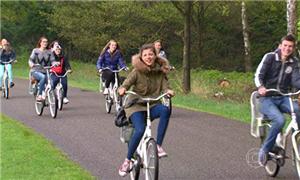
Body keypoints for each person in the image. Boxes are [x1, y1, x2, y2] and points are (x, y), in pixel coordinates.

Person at [117, 43, 175, 177]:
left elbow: (166, 86)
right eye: (145, 55)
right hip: (136, 105)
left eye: (151, 54)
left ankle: (158, 146)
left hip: (152, 105)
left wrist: (168, 91)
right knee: (140, 129)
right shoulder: (136, 71)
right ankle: (127, 161)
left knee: (165, 110)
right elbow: (126, 84)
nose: (148, 57)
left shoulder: (160, 72)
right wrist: (122, 89)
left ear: (155, 55)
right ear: (141, 57)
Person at [254, 34, 300, 166]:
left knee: (298, 111)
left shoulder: (295, 62)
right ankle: (265, 149)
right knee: (280, 120)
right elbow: (258, 75)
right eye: (285, 45)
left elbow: (296, 80)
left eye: (290, 46)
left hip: (284, 97)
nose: (287, 48)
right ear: (280, 46)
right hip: (267, 98)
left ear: (293, 48)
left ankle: (296, 141)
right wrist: (261, 87)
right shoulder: (270, 57)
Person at [28, 36, 56, 101]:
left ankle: (47, 95)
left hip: (46, 71)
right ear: (40, 43)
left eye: (46, 42)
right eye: (43, 42)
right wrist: (31, 64)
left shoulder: (49, 52)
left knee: (51, 84)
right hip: (35, 70)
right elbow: (30, 60)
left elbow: (53, 61)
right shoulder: (35, 51)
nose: (45, 43)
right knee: (43, 77)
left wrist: (55, 63)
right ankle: (40, 95)